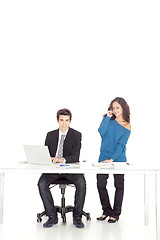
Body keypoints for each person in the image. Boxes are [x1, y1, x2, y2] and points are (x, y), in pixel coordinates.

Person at [38, 108, 86, 228]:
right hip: (53, 169)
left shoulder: (76, 135)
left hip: (70, 168)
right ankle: (52, 216)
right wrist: (49, 158)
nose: (64, 123)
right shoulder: (50, 135)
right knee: (42, 183)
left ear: (70, 121)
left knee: (81, 182)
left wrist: (62, 159)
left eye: (66, 120)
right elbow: (45, 153)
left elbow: (75, 156)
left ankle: (77, 217)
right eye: (61, 120)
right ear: (57, 120)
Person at [96, 97, 131, 223]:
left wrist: (113, 159)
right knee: (100, 184)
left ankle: (115, 214)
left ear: (123, 108)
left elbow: (121, 145)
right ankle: (106, 210)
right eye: (113, 107)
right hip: (103, 156)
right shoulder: (107, 120)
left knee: (119, 185)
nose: (115, 110)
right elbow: (101, 132)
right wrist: (107, 117)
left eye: (118, 108)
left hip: (118, 158)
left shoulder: (127, 125)